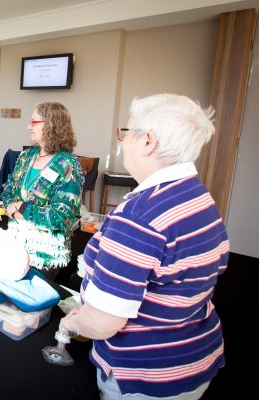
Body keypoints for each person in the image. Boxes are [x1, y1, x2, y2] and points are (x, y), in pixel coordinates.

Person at [59, 94, 229, 399]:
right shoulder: (200, 198)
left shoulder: (138, 217)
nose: (122, 142)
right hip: (194, 358)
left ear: (148, 141)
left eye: (126, 133)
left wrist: (75, 320)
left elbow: (103, 323)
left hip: (144, 375)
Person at [0, 102, 84, 277]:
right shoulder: (26, 156)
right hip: (15, 245)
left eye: (34, 122)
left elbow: (61, 218)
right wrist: (15, 209)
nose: (28, 127)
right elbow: (7, 190)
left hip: (45, 254)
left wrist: (21, 208)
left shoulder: (68, 165)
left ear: (51, 125)